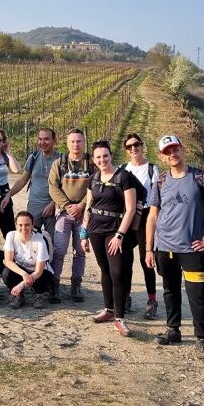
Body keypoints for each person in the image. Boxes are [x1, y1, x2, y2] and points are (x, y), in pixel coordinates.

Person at [146, 135, 204, 360]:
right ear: (163, 157)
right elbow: (152, 216)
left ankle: (202, 339)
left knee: (198, 294)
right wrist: (149, 248)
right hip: (165, 248)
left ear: (183, 149)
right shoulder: (161, 181)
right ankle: (173, 330)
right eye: (167, 151)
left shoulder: (200, 177)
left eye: (175, 149)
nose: (172, 154)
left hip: (191, 249)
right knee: (170, 290)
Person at [83, 140, 137, 337]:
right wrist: (83, 233)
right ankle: (108, 309)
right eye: (98, 157)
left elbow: (130, 209)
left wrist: (120, 236)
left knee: (117, 272)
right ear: (93, 159)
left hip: (114, 230)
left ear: (111, 155)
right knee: (105, 270)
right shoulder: (93, 178)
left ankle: (120, 318)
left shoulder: (123, 177)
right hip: (95, 229)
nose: (102, 159)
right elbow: (89, 206)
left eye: (105, 155)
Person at [48, 128, 95, 303]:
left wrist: (82, 205)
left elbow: (95, 186)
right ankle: (55, 285)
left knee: (80, 251)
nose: (76, 144)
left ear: (84, 143)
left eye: (79, 141)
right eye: (73, 141)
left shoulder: (91, 164)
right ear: (67, 144)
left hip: (84, 215)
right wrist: (68, 206)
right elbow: (53, 187)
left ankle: (76, 286)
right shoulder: (58, 163)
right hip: (64, 213)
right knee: (59, 250)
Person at [122, 132, 160, 319]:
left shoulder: (152, 169)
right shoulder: (123, 169)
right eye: (129, 147)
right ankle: (126, 296)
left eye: (136, 145)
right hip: (129, 216)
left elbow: (155, 198)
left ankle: (152, 300)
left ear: (142, 145)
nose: (133, 148)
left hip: (145, 216)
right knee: (126, 260)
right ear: (126, 150)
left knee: (147, 260)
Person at [1, 128, 61, 233]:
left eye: (46, 139)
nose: (42, 142)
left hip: (55, 207)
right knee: (31, 238)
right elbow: (23, 180)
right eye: (40, 139)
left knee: (53, 242)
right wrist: (8, 195)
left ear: (54, 141)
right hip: (34, 206)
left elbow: (66, 185)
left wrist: (53, 203)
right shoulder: (33, 157)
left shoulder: (62, 160)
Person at [2, 211, 53, 309]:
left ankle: (38, 294)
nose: (23, 228)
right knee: (6, 273)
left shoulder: (40, 241)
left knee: (42, 280)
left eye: (27, 225)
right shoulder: (11, 236)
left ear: (32, 225)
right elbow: (8, 261)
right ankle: (19, 296)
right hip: (22, 269)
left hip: (38, 271)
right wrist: (24, 274)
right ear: (16, 225)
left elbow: (38, 272)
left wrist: (21, 285)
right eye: (20, 225)